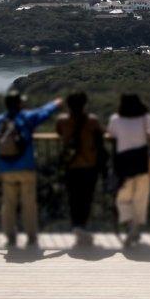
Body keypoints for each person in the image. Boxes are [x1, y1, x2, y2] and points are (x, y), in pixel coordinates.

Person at [0, 89, 61, 248]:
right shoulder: (27, 117)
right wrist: (56, 103)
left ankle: (10, 237)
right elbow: (43, 112)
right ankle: (31, 237)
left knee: (8, 203)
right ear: (19, 103)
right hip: (26, 166)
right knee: (29, 203)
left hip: (5, 167)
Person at [107, 93, 150, 247]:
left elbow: (111, 134)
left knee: (122, 197)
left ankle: (130, 224)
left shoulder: (115, 119)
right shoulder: (145, 117)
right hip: (142, 161)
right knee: (141, 197)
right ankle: (136, 228)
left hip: (123, 163)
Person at [55, 91, 105, 246]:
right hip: (89, 165)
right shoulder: (92, 121)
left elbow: (59, 132)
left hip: (71, 165)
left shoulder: (62, 121)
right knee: (86, 198)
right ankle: (81, 227)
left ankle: (77, 227)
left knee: (73, 198)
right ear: (85, 104)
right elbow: (100, 138)